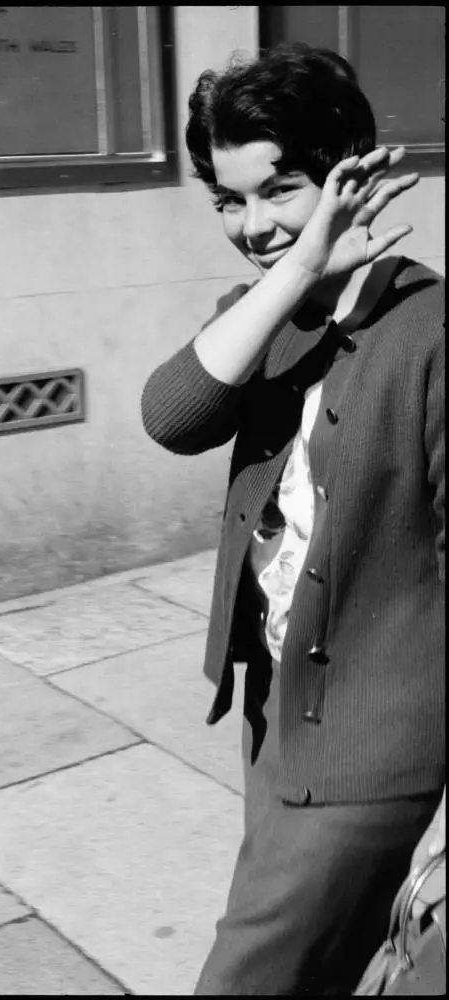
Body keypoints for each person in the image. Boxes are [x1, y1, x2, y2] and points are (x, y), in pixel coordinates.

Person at [141, 43, 445, 996]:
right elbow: (170, 417)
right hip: (277, 723)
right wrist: (300, 267)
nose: (253, 225)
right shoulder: (262, 319)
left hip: (373, 744)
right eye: (229, 200)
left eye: (282, 189)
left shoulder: (430, 335)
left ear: (347, 168)